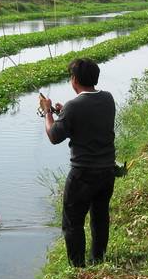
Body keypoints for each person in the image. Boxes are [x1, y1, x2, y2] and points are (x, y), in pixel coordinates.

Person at [39, 58, 116, 268]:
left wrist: (48, 112)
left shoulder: (74, 106)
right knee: (100, 217)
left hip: (83, 174)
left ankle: (78, 268)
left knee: (72, 223)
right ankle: (98, 260)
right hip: (107, 171)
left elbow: (54, 136)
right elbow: (88, 120)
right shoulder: (107, 98)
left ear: (74, 79)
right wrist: (64, 112)